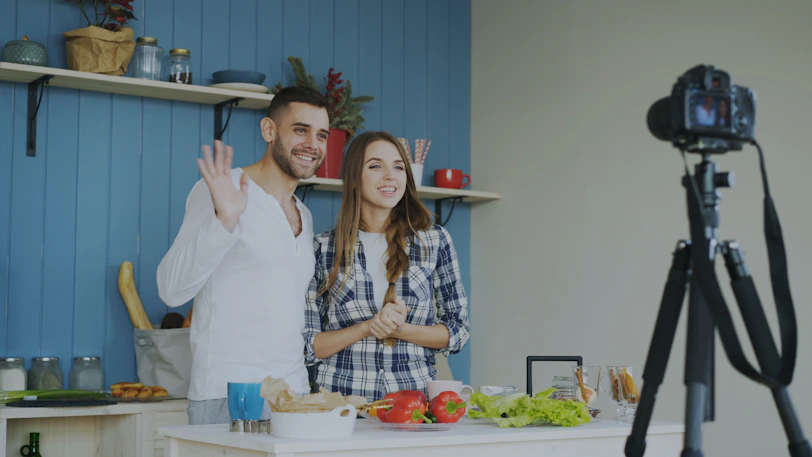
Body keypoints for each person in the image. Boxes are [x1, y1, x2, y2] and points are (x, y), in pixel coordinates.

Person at [156, 86, 331, 425]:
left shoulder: (304, 215)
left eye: (321, 134)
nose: (313, 144)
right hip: (229, 393)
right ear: (269, 130)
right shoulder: (224, 190)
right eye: (300, 130)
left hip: (292, 394)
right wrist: (226, 220)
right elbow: (171, 289)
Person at [303, 131, 471, 401]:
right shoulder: (323, 248)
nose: (390, 176)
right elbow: (310, 345)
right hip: (341, 408)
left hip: (413, 408)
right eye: (375, 166)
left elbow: (458, 332)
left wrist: (400, 330)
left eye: (398, 166)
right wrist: (367, 327)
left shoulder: (434, 241)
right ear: (355, 178)